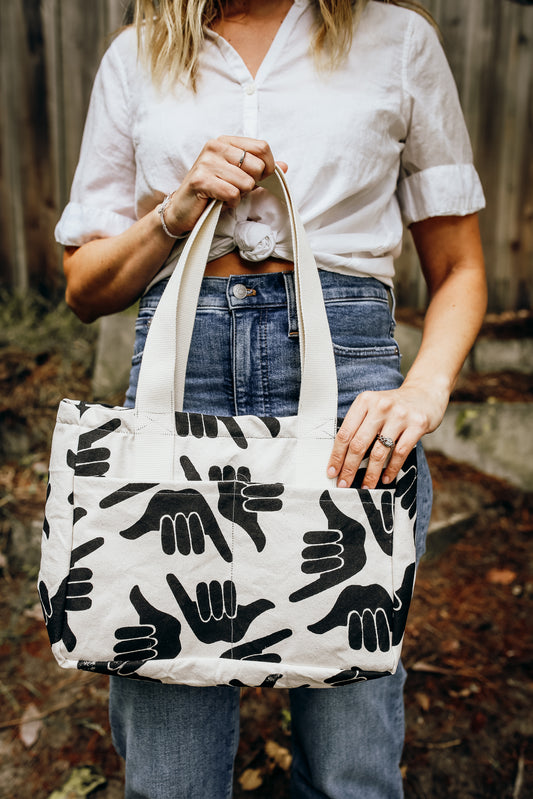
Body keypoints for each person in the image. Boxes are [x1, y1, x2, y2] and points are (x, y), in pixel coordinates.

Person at [55, 1, 487, 796]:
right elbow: (85, 287)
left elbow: (458, 266)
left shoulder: (396, 43)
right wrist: (175, 212)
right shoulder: (137, 54)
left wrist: (423, 390)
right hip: (182, 382)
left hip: (349, 396)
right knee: (170, 773)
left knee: (349, 762)